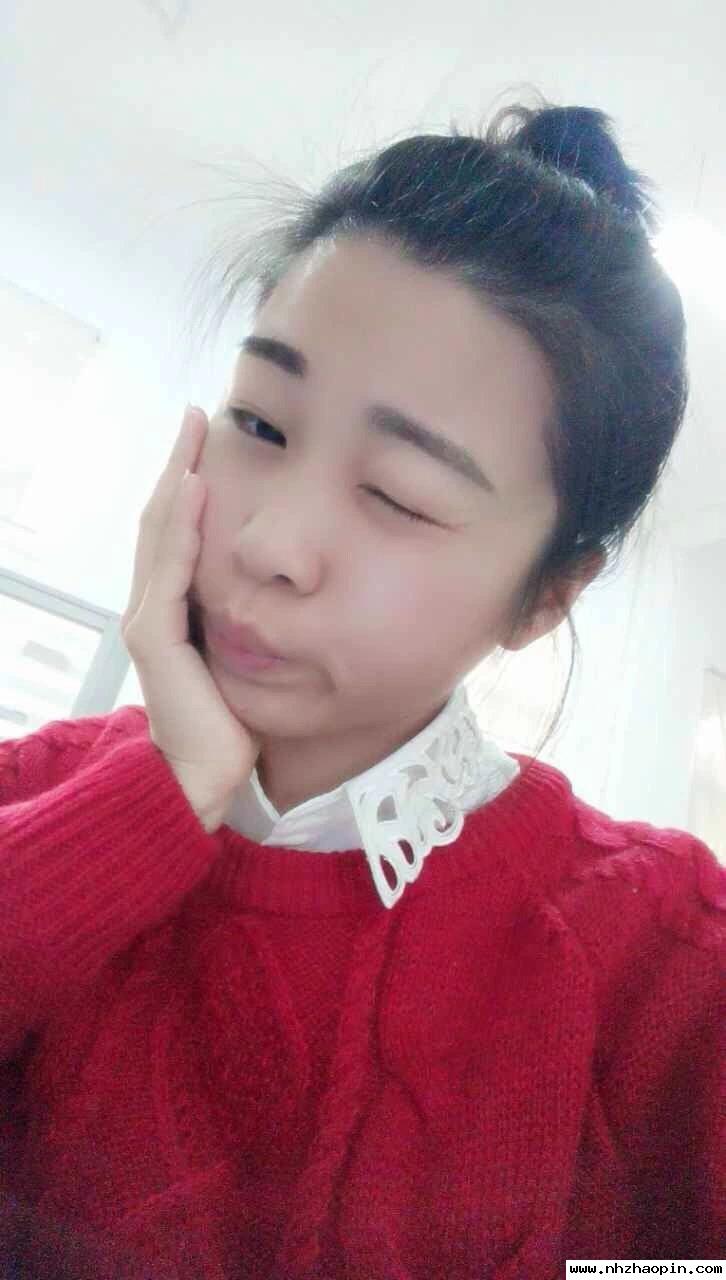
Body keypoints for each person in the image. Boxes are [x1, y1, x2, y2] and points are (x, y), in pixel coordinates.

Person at [0, 92, 724, 1279]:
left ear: (546, 594)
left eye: (396, 494)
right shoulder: (37, 797)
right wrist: (160, 793)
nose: (268, 543)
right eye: (258, 422)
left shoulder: (672, 964)